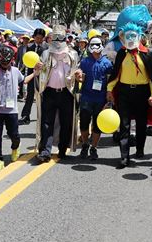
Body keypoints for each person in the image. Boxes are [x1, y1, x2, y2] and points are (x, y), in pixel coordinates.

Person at [107, 23, 152, 168]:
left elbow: (151, 77)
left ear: (139, 37)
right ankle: (124, 157)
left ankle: (140, 148)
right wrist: (109, 90)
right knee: (124, 125)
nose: (130, 38)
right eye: (127, 35)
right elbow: (115, 74)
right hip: (124, 92)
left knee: (142, 124)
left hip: (142, 93)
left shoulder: (146, 53)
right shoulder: (121, 54)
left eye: (133, 35)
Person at [34, 26, 80, 163]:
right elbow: (39, 73)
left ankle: (62, 149)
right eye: (56, 38)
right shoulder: (46, 54)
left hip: (66, 93)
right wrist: (37, 68)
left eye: (61, 38)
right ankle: (45, 151)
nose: (59, 41)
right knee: (47, 123)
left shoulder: (73, 54)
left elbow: (77, 71)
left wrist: (78, 74)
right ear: (51, 39)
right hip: (49, 92)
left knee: (66, 122)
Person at [0, 45, 37, 172]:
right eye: (2, 61)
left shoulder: (16, 71)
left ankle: (15, 146)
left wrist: (35, 73)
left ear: (11, 60)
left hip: (12, 110)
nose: (5, 64)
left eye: (7, 61)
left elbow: (24, 81)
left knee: (14, 134)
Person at [75, 36, 113, 160]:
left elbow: (110, 81)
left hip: (100, 99)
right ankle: (85, 144)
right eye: (93, 45)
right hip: (86, 97)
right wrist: (79, 75)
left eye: (97, 45)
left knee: (98, 125)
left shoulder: (107, 63)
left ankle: (94, 147)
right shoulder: (85, 62)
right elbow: (81, 75)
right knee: (84, 124)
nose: (95, 48)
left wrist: (109, 97)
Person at [20, 28, 47, 125]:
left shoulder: (46, 48)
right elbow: (26, 61)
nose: (39, 40)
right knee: (30, 95)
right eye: (37, 38)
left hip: (42, 75)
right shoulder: (29, 47)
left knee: (43, 97)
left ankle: (43, 116)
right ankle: (25, 115)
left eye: (41, 38)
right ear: (34, 37)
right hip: (31, 75)